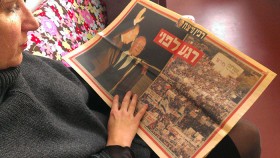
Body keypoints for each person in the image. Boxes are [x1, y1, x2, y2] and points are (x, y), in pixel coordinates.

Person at [0, 1, 261, 158]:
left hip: (116, 121)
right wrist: (118, 145)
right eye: (11, 8)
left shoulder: (14, 61)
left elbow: (68, 85)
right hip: (119, 146)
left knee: (240, 129)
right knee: (246, 137)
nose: (32, 22)